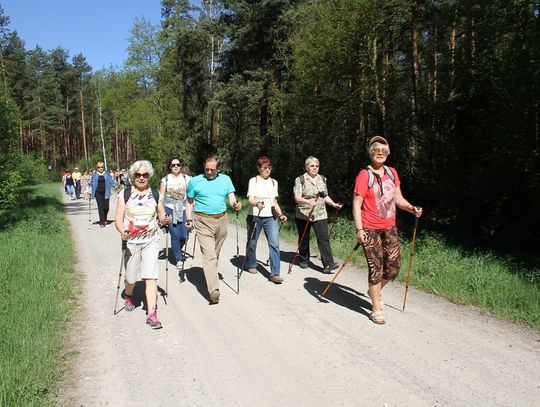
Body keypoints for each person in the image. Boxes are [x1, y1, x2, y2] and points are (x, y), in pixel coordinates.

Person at [352, 136, 423, 325]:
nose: (380, 152)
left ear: (388, 153)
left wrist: (411, 208)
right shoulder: (364, 175)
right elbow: (356, 204)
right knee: (376, 269)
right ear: (370, 152)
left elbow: (398, 199)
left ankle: (373, 291)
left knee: (393, 268)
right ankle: (375, 308)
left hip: (389, 227)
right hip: (369, 228)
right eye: (376, 149)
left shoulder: (392, 173)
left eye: (384, 149)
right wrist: (359, 229)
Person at [115, 160, 169, 329]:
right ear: (132, 176)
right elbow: (118, 219)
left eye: (145, 174)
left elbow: (161, 216)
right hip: (131, 241)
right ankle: (129, 295)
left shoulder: (155, 194)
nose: (141, 177)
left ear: (149, 176)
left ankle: (152, 313)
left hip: (151, 240)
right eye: (138, 174)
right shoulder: (124, 194)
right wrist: (122, 232)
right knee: (131, 277)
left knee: (150, 276)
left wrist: (166, 219)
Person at [185, 155, 242, 304]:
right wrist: (189, 219)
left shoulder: (225, 180)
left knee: (215, 254)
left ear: (219, 169)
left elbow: (231, 198)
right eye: (206, 169)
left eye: (212, 170)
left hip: (222, 220)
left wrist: (236, 204)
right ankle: (213, 291)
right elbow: (189, 202)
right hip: (202, 220)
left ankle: (209, 276)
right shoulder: (195, 181)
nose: (209, 172)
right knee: (209, 255)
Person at [293, 156, 342, 273]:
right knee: (304, 238)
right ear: (307, 167)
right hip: (304, 213)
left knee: (323, 238)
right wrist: (308, 201)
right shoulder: (300, 179)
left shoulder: (322, 179)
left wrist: (334, 204)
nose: (315, 168)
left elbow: (324, 195)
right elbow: (297, 198)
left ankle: (328, 264)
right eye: (312, 166)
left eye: (317, 166)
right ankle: (304, 259)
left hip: (320, 213)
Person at [245, 156, 287, 284]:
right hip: (255, 215)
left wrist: (280, 215)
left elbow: (274, 202)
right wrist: (257, 203)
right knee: (252, 242)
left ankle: (275, 273)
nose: (267, 170)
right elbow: (250, 199)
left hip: (270, 217)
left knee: (274, 243)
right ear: (259, 168)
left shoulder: (274, 182)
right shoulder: (254, 181)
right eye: (264, 168)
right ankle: (251, 264)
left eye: (269, 168)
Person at [159, 156, 190, 270]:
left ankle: (176, 248)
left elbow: (191, 194)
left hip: (181, 208)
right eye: (173, 165)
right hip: (170, 208)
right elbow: (161, 198)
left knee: (184, 236)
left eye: (178, 164)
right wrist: (161, 213)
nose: (176, 167)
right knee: (175, 234)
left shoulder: (187, 178)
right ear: (170, 167)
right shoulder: (165, 180)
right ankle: (178, 259)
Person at [91, 161, 116, 227]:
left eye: (102, 167)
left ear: (103, 167)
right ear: (97, 168)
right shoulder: (94, 175)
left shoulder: (107, 174)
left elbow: (112, 182)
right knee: (100, 207)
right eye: (99, 167)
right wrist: (88, 191)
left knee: (106, 208)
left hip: (106, 192)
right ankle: (102, 222)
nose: (100, 168)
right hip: (98, 192)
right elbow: (91, 183)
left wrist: (116, 187)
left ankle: (104, 218)